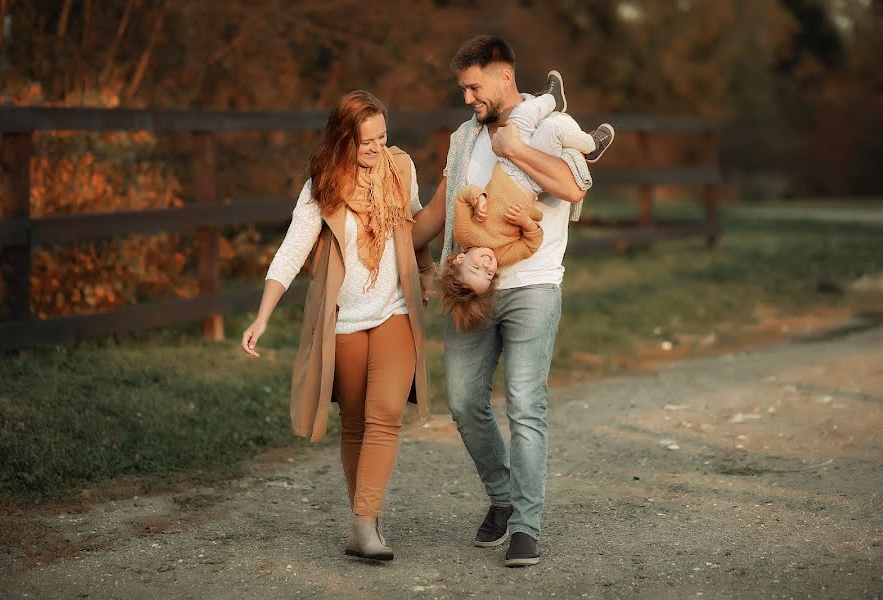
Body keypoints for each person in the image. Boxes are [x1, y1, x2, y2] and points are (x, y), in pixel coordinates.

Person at [412, 35, 594, 568]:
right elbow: (436, 213)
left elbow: (574, 187)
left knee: (524, 403)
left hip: (533, 284)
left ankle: (526, 527)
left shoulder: (547, 126)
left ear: (503, 77)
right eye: (464, 89)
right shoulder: (463, 140)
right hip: (472, 288)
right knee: (466, 403)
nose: (468, 97)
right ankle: (503, 496)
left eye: (474, 87)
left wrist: (514, 149)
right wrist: (391, 248)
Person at [240, 90, 433, 562]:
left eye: (382, 136)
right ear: (343, 138)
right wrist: (262, 316)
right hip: (344, 320)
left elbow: (416, 223)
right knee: (354, 424)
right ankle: (365, 518)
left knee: (385, 414)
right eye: (365, 140)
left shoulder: (400, 169)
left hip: (395, 312)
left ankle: (364, 527)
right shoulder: (323, 185)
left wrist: (426, 276)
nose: (375, 148)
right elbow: (291, 251)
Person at [440, 70, 615, 331]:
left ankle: (552, 99)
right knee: (554, 128)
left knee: (521, 115)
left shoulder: (465, 233)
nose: (488, 266)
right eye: (488, 275)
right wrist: (526, 222)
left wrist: (479, 198)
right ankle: (591, 145)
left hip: (508, 166)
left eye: (477, 269)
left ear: (459, 261)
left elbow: (460, 198)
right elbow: (531, 244)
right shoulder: (502, 256)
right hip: (531, 183)